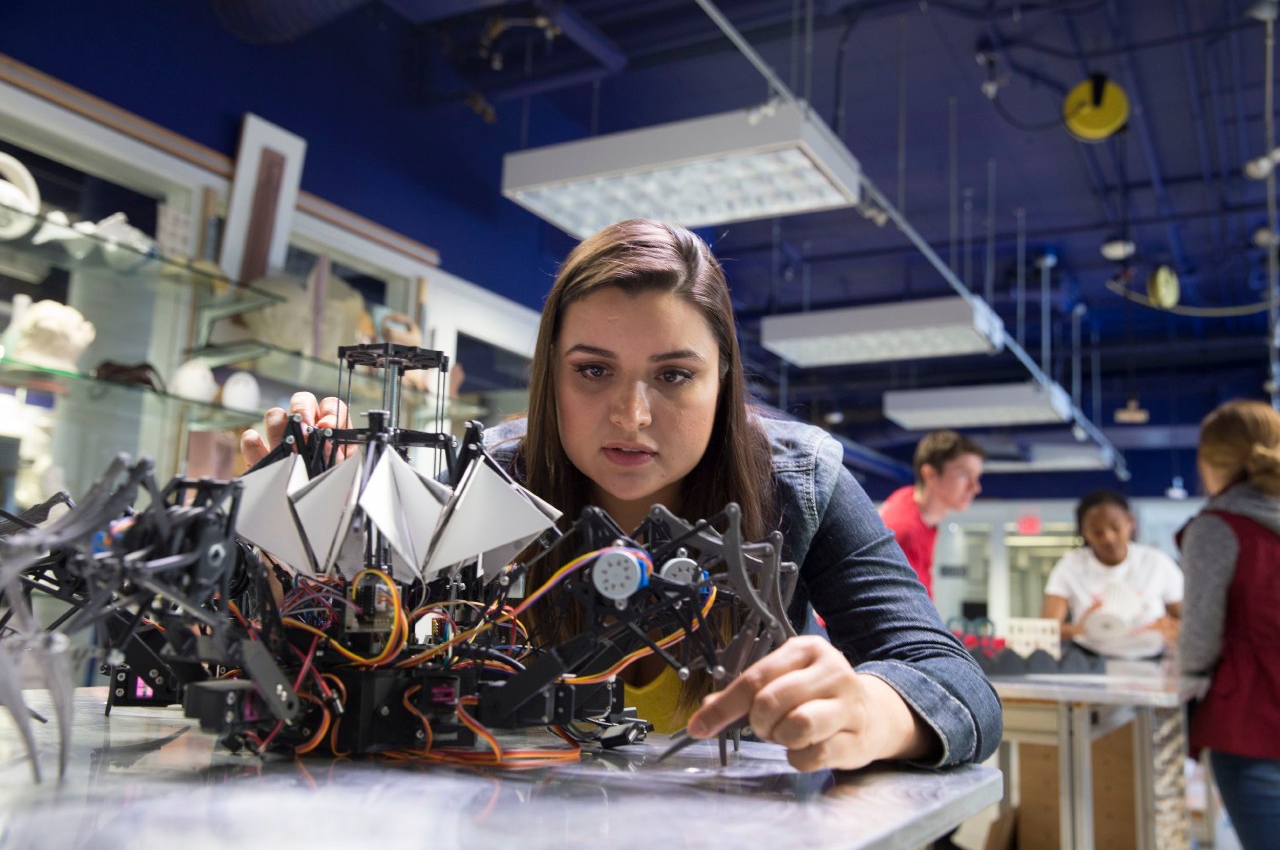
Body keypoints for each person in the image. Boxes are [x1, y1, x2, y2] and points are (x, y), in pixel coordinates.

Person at [243, 219, 1001, 772]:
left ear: (723, 381)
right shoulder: (485, 476)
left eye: (674, 375)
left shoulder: (801, 482)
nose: (631, 417)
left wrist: (873, 708)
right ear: (552, 376)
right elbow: (351, 653)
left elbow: (954, 680)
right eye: (593, 370)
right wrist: (299, 521)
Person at [1177, 399, 1280, 849]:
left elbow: (1198, 645)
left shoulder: (1219, 528)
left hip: (1256, 725)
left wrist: (1187, 669)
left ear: (1209, 462)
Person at [1041, 490, 1183, 645]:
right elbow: (1047, 629)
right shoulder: (1070, 566)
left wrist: (1172, 629)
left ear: (1130, 522)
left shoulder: (1156, 562)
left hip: (1152, 658)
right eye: (1097, 532)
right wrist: (1079, 629)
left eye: (1115, 528)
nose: (1108, 538)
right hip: (1092, 660)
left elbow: (1188, 621)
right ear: (1084, 533)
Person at [877, 431, 985, 597]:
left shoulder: (909, 499)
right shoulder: (906, 531)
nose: (975, 487)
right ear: (930, 474)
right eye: (964, 474)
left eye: (976, 477)